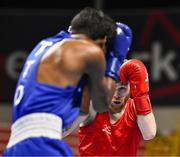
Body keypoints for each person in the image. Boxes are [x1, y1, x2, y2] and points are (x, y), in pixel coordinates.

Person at [3, 7, 132, 156]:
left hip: (16, 145)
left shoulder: (46, 45)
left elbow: (82, 108)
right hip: (42, 144)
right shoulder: (88, 50)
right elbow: (102, 103)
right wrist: (115, 57)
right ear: (102, 41)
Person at [78, 59, 157, 156]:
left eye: (122, 88)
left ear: (130, 87)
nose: (116, 94)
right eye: (113, 88)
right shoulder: (94, 104)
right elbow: (64, 130)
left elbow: (149, 134)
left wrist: (141, 95)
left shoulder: (136, 107)